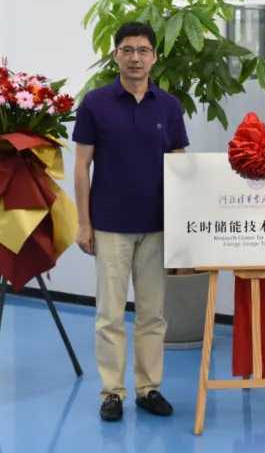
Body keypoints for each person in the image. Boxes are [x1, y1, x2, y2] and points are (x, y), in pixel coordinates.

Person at [73, 21, 189, 422]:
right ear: (116, 55)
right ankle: (112, 392)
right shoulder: (95, 103)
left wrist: (182, 225)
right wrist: (83, 223)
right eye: (127, 50)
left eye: (143, 50)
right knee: (109, 315)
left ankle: (148, 388)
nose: (135, 58)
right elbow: (81, 166)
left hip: (157, 227)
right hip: (109, 225)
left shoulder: (169, 106)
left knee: (152, 314)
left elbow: (179, 166)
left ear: (154, 56)